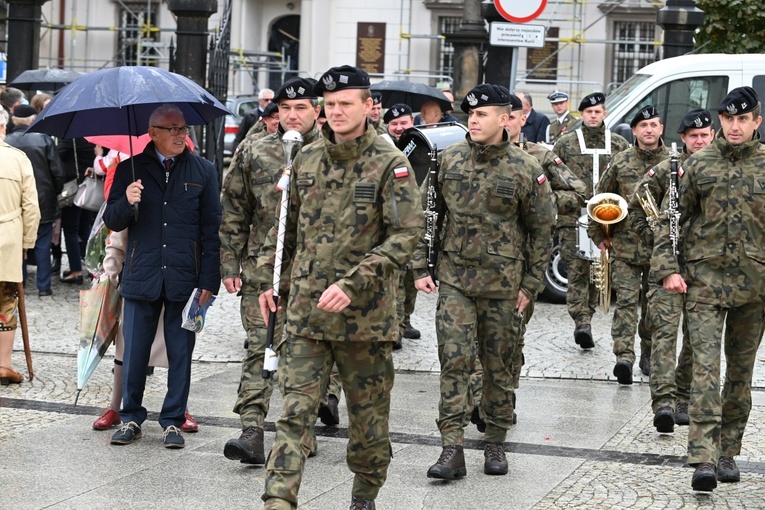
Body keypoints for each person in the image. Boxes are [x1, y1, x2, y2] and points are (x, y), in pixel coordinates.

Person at [255, 65, 422, 510]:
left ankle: (364, 496)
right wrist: (274, 280)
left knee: (368, 426)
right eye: (329, 105)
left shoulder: (391, 163)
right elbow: (287, 231)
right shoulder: (305, 159)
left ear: (369, 106)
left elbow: (405, 236)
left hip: (364, 323)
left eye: (346, 103)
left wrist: (353, 284)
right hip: (307, 315)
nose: (337, 112)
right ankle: (278, 501)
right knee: (293, 415)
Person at [414, 84, 555, 480]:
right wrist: (420, 268)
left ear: (505, 119)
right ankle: (451, 448)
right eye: (470, 115)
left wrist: (530, 285)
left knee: (499, 365)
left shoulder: (526, 168)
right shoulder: (448, 159)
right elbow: (428, 216)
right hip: (456, 278)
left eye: (482, 115)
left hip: (505, 284)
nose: (473, 121)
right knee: (454, 361)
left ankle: (494, 438)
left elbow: (542, 230)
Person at [651, 87, 765, 492]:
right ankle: (702, 457)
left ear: (756, 122)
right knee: (704, 368)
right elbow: (671, 219)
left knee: (740, 374)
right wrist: (668, 269)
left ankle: (728, 451)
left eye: (742, 120)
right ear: (721, 121)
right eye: (728, 119)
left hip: (755, 286)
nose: (734, 127)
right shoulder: (697, 165)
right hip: (704, 283)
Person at [219, 76, 326, 465]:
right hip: (263, 267)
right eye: (285, 108)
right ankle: (251, 428)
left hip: (316, 272)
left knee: (308, 352)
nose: (292, 115)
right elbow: (234, 209)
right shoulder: (256, 151)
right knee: (258, 344)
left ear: (318, 110)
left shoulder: (333, 152)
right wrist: (229, 261)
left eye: (301, 108)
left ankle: (303, 427)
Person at [103, 104, 221, 449]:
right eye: (172, 129)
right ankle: (131, 417)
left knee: (181, 352)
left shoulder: (204, 171)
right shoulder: (129, 170)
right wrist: (126, 200)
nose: (180, 135)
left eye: (183, 129)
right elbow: (113, 220)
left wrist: (209, 283)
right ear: (152, 133)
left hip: (187, 278)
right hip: (143, 274)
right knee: (135, 351)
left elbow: (212, 230)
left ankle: (172, 419)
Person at [628, 108, 715, 433]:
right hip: (666, 265)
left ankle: (682, 397)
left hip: (703, 270)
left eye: (705, 135)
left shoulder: (720, 170)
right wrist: (654, 235)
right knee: (664, 335)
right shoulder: (669, 169)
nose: (700, 141)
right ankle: (663, 403)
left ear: (713, 135)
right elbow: (637, 204)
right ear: (683, 139)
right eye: (694, 136)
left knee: (694, 340)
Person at [588, 105, 669, 385]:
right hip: (624, 246)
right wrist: (598, 234)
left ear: (661, 129)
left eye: (654, 125)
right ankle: (624, 356)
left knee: (653, 306)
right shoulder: (621, 161)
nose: (649, 130)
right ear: (634, 131)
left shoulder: (673, 162)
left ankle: (648, 352)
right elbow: (601, 197)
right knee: (625, 303)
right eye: (643, 126)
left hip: (661, 251)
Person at [553, 92, 630, 349]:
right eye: (589, 112)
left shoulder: (619, 144)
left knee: (599, 273)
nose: (593, 116)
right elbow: (552, 179)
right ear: (582, 114)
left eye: (598, 111)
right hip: (573, 218)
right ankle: (582, 322)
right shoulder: (565, 144)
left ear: (605, 114)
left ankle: (589, 315)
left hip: (607, 220)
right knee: (576, 271)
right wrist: (567, 202)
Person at [5, 105, 65, 297]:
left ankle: (18, 284)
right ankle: (44, 286)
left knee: (17, 243)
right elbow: (57, 172)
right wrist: (55, 192)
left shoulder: (7, 141)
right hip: (43, 198)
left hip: (14, 201)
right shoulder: (44, 139)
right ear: (32, 119)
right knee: (42, 244)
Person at [0, 108, 41, 384]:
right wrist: (27, 243)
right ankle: (3, 364)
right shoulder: (17, 159)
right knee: (5, 300)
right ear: (4, 127)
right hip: (7, 240)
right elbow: (31, 207)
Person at [57, 137, 97, 284]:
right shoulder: (93, 137)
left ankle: (76, 270)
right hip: (89, 187)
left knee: (70, 230)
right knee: (85, 228)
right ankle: (93, 268)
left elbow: (57, 157)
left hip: (73, 189)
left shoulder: (71, 139)